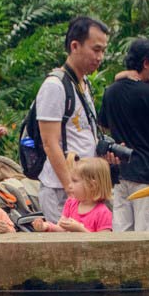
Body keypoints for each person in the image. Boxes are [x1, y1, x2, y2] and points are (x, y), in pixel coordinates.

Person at [35, 16, 110, 223]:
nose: (100, 57)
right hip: (62, 190)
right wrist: (71, 188)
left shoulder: (83, 84)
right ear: (75, 46)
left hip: (85, 190)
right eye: (96, 49)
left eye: (103, 50)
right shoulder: (55, 86)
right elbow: (50, 143)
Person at [98, 38, 149, 231]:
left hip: (121, 173)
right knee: (148, 237)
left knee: (122, 236)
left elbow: (104, 125)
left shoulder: (111, 91)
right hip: (148, 175)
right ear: (146, 63)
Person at [32, 156, 112, 232]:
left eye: (74, 181)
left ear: (92, 185)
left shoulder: (103, 213)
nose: (69, 186)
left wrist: (80, 229)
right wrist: (46, 226)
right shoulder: (71, 203)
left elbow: (103, 243)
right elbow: (61, 228)